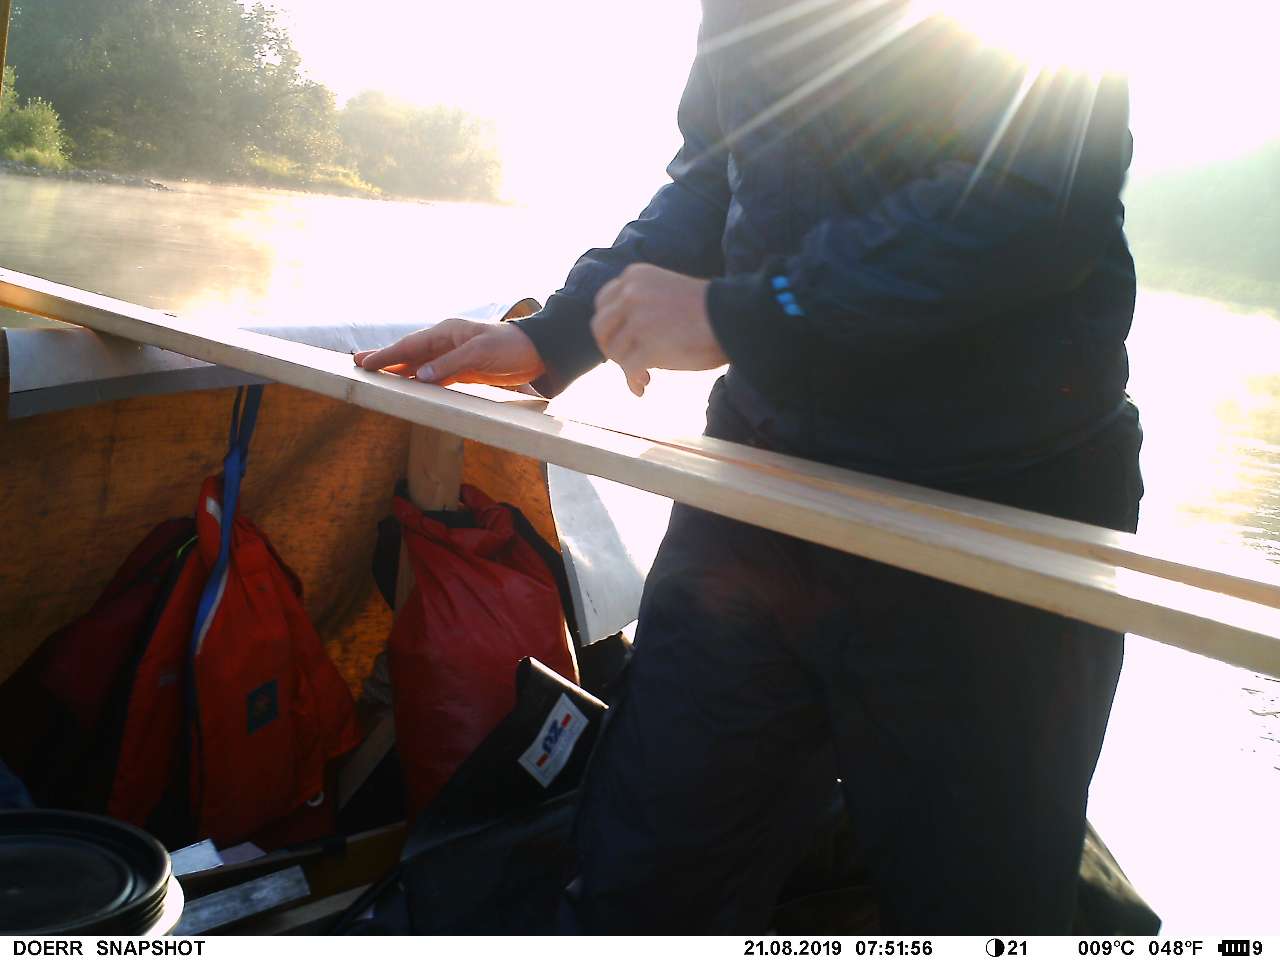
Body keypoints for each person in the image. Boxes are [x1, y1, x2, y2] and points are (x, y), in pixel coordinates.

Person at [355, 0, 1142, 934]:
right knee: (641, 883)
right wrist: (556, 333)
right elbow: (715, 175)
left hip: (993, 519)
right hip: (759, 488)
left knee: (975, 906)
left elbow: (1036, 206)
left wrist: (743, 314)